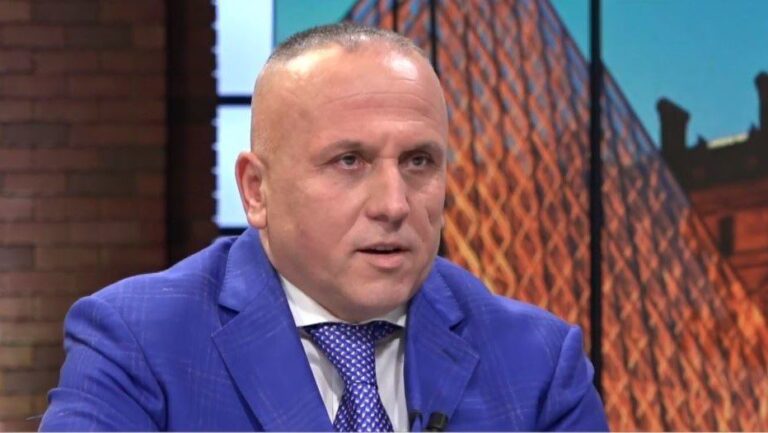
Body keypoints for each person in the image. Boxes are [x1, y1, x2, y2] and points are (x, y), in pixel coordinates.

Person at [40, 23, 608, 432]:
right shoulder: (137, 341)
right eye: (349, 161)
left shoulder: (538, 362)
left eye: (419, 162)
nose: (394, 204)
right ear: (256, 191)